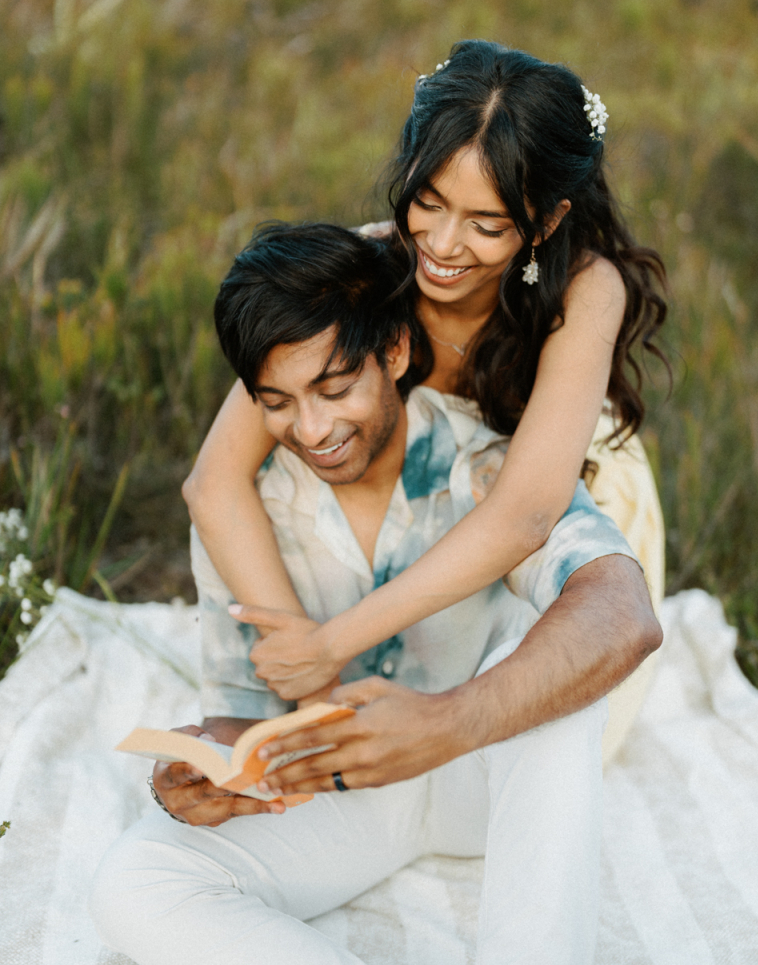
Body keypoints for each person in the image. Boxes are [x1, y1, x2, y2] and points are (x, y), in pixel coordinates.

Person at [90, 223, 662, 965]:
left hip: (483, 768)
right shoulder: (252, 508)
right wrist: (208, 769)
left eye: (333, 386)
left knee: (557, 648)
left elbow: (624, 617)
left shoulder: (487, 468)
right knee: (134, 886)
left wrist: (451, 720)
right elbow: (247, 713)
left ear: (395, 351)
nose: (311, 429)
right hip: (351, 788)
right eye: (276, 402)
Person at [181, 39, 667, 761]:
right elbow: (214, 480)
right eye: (428, 202)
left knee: (532, 736)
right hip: (406, 516)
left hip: (553, 494)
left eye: (487, 224)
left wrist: (336, 641)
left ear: (544, 221)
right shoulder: (359, 270)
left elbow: (527, 514)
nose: (441, 245)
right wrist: (304, 663)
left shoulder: (586, 289)